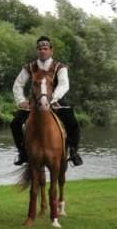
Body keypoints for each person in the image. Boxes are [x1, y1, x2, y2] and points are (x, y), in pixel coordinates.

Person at [10, 36, 83, 167]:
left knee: (73, 123)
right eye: (39, 49)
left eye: (45, 48)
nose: (42, 51)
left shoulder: (59, 67)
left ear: (51, 50)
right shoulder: (30, 67)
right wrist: (21, 101)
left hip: (56, 101)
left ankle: (73, 152)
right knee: (15, 123)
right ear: (37, 51)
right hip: (34, 103)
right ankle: (23, 152)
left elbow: (64, 85)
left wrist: (52, 98)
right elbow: (18, 84)